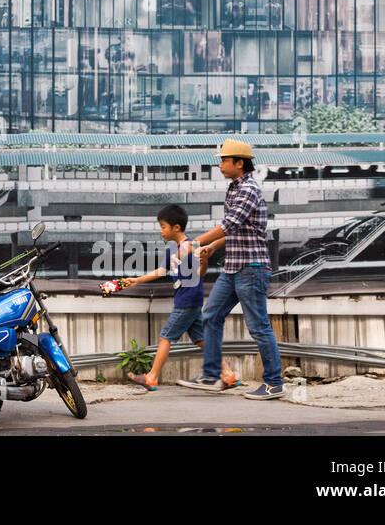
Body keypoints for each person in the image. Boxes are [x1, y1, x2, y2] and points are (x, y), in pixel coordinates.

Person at [177, 139, 286, 399]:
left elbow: (230, 223)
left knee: (258, 326)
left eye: (225, 160)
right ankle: (213, 375)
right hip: (233, 267)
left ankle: (274, 383)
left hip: (251, 268)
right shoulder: (234, 188)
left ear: (240, 163)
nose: (220, 164)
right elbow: (239, 229)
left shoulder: (248, 189)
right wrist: (214, 246)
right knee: (211, 316)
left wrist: (195, 243)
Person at [120, 204, 239, 391]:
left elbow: (200, 273)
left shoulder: (190, 248)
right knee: (201, 340)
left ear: (176, 227)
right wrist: (137, 280)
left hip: (187, 301)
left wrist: (205, 261)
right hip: (188, 302)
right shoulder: (172, 250)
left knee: (165, 337)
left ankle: (152, 377)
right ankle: (228, 374)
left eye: (163, 226)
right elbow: (162, 270)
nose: (161, 231)